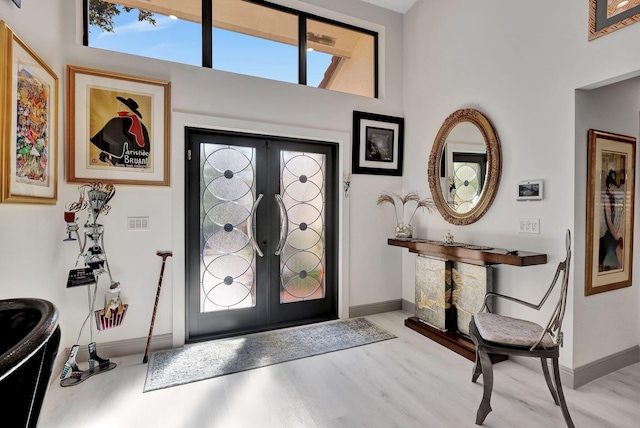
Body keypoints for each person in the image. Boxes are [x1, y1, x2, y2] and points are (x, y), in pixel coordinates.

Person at [90, 96, 150, 168]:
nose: (120, 107)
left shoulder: (117, 121)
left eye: (123, 106)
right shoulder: (142, 126)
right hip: (139, 164)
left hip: (120, 164)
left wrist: (105, 154)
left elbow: (106, 141)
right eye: (121, 105)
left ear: (128, 110)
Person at [599, 169, 623, 271]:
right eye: (612, 186)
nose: (614, 188)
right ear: (609, 186)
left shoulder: (613, 197)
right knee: (617, 248)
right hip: (609, 232)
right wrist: (616, 235)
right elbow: (609, 221)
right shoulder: (606, 198)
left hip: (612, 231)